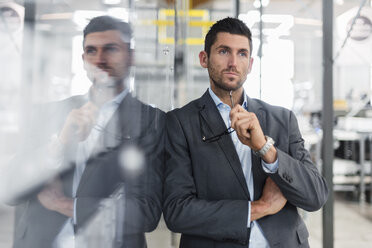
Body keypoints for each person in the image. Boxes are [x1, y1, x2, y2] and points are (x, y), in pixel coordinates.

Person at [163, 17, 328, 248]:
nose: (233, 62)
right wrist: (258, 208)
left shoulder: (282, 119)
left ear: (250, 64)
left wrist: (267, 151)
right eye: (223, 51)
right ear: (204, 58)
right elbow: (177, 211)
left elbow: (316, 196)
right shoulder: (180, 122)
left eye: (242, 54)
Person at [7, 15, 164, 248]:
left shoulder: (151, 121)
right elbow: (11, 189)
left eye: (111, 49)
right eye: (91, 51)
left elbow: (146, 211)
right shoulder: (50, 112)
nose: (100, 59)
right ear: (83, 59)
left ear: (130, 57)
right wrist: (58, 144)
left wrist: (67, 205)